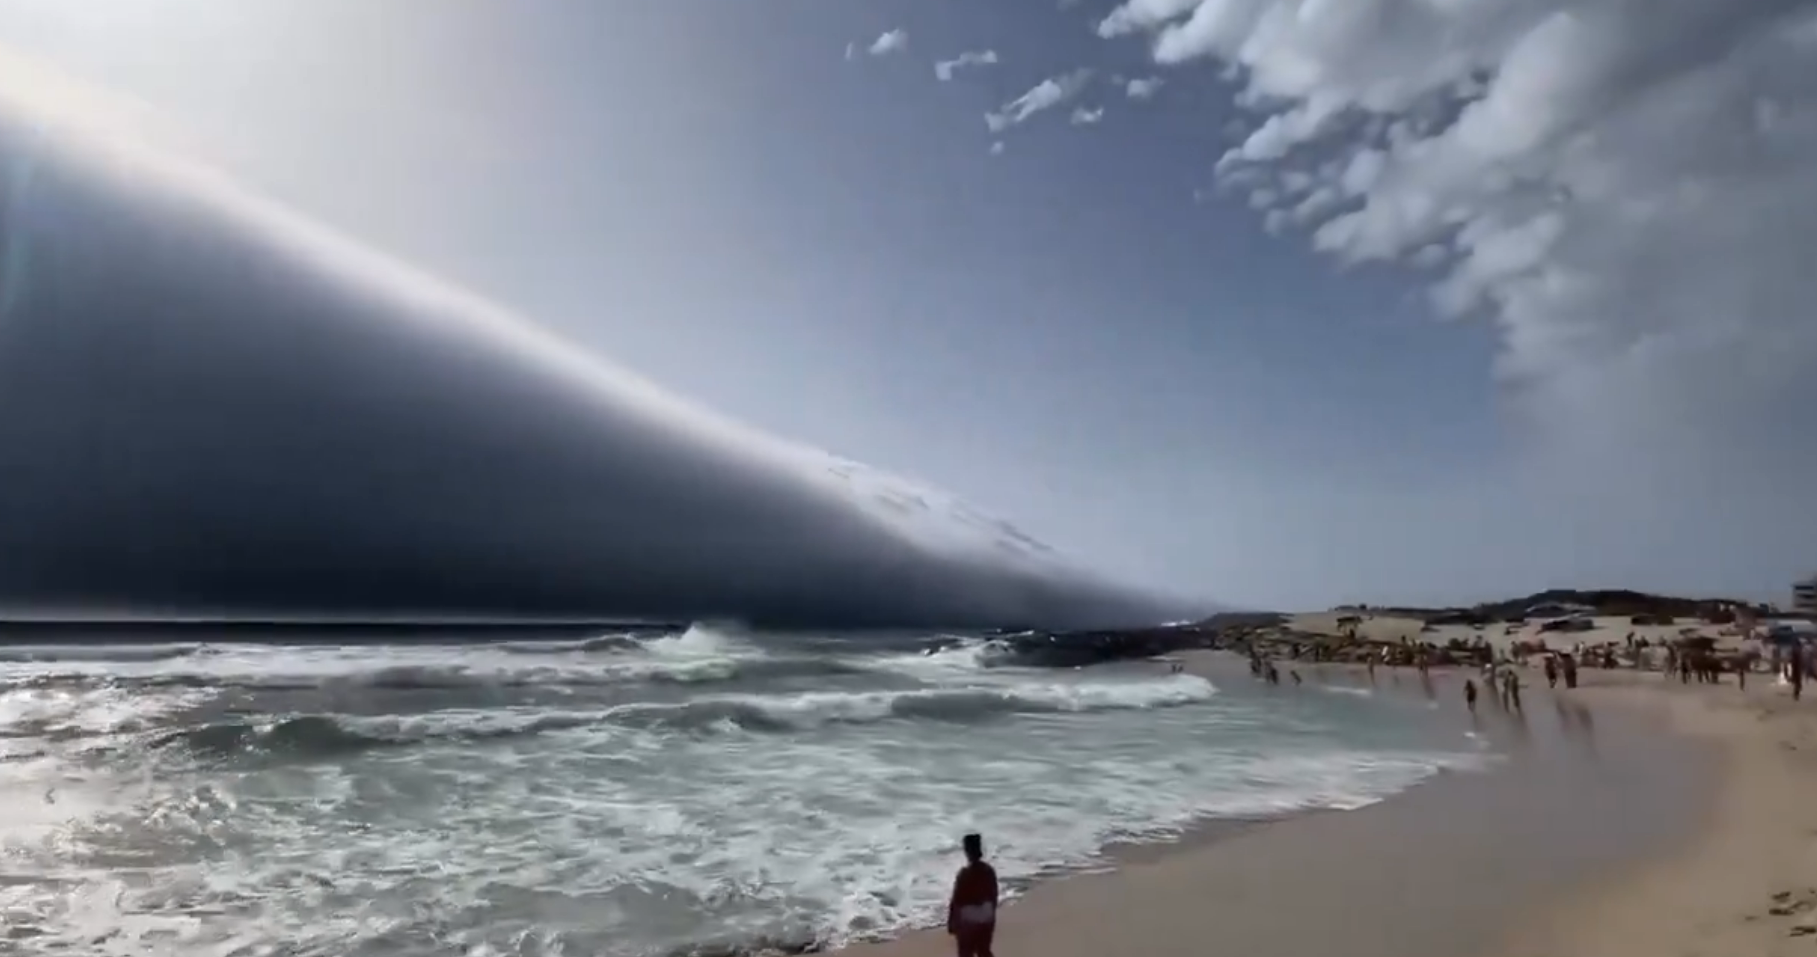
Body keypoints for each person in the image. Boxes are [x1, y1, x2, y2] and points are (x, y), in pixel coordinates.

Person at [948, 833, 999, 957]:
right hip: (986, 914)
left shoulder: (964, 873)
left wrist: (951, 920)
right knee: (984, 950)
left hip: (968, 917)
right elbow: (994, 895)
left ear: (966, 850)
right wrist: (991, 916)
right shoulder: (988, 870)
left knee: (965, 952)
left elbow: (957, 900)